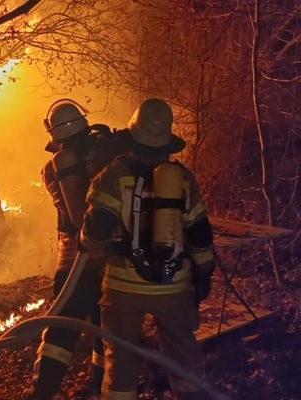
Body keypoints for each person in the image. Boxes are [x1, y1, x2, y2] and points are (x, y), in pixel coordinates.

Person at [79, 98, 216, 400]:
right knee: (182, 353)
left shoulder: (113, 174)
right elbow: (200, 232)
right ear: (167, 140)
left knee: (121, 359)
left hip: (122, 288)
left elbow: (96, 229)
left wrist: (86, 244)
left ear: (132, 136)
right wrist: (204, 272)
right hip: (173, 287)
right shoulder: (183, 178)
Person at [24, 99, 126, 400]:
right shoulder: (107, 150)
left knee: (59, 332)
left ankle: (41, 392)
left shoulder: (59, 163)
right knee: (102, 327)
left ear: (54, 133)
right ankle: (97, 386)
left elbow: (76, 217)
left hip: (75, 261)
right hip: (111, 258)